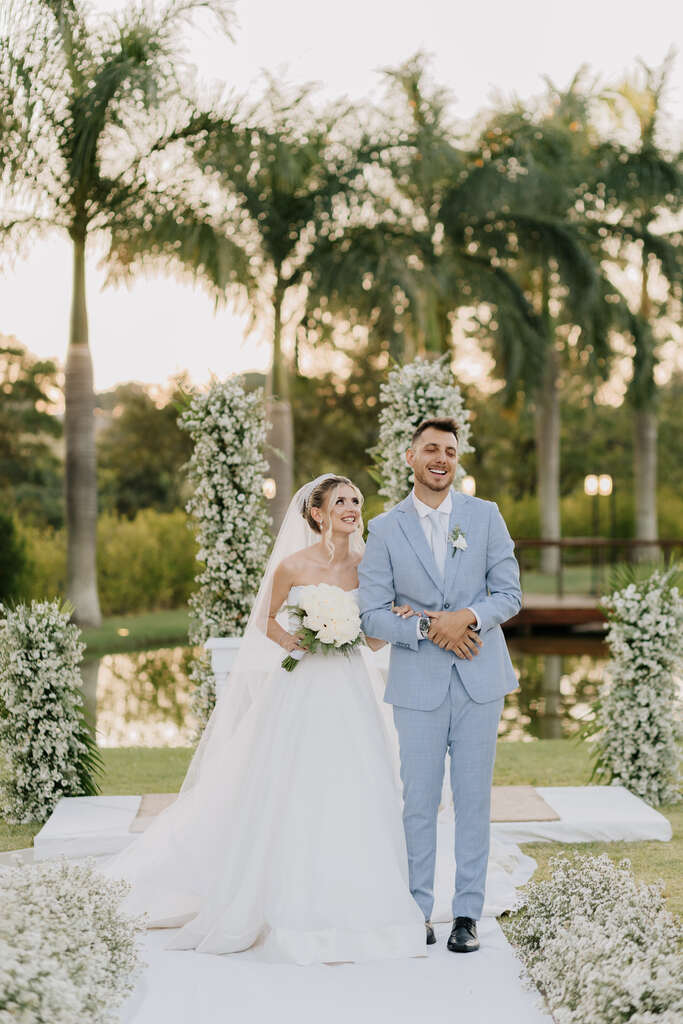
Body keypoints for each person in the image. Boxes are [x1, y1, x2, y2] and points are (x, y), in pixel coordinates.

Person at [102, 474, 427, 964]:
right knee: (294, 784)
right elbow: (267, 621)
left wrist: (396, 617)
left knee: (357, 782)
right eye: (342, 501)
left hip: (349, 689)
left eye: (356, 500)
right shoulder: (292, 565)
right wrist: (295, 639)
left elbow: (374, 641)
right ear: (317, 513)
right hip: (301, 687)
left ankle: (356, 887)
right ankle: (284, 889)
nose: (353, 508)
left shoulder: (369, 567)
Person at [358, 419, 522, 953]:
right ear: (410, 456)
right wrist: (433, 626)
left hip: (481, 682)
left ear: (457, 460)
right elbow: (373, 616)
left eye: (450, 451)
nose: (441, 458)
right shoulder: (384, 528)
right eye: (431, 448)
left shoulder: (486, 516)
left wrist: (467, 616)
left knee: (474, 801)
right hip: (418, 687)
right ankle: (417, 910)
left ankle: (467, 915)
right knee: (418, 802)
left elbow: (509, 594)